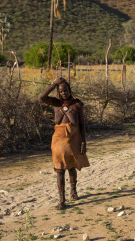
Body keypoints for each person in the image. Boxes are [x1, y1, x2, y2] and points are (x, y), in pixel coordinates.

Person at [39, 77, 90, 209]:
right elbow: (41, 97)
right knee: (59, 169)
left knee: (72, 166)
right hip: (58, 139)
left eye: (65, 90)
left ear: (69, 90)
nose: (63, 93)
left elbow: (82, 125)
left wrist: (83, 142)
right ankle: (62, 200)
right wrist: (54, 83)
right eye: (60, 91)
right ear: (58, 92)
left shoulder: (77, 104)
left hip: (74, 138)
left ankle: (73, 191)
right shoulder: (55, 103)